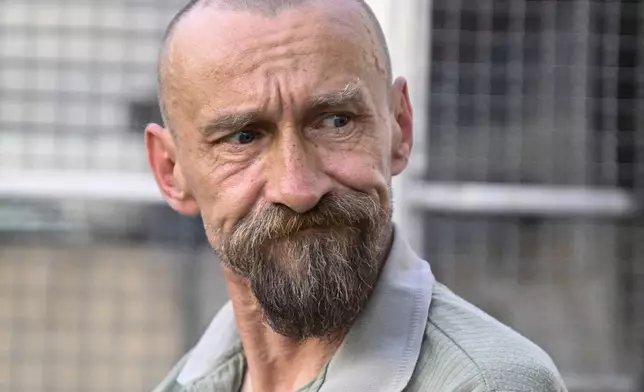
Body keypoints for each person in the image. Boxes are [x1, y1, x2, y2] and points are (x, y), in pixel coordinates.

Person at [146, 0, 568, 391]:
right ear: (170, 171)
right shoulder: (186, 383)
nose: (298, 189)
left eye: (335, 122)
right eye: (244, 137)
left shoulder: (486, 384)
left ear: (399, 128)